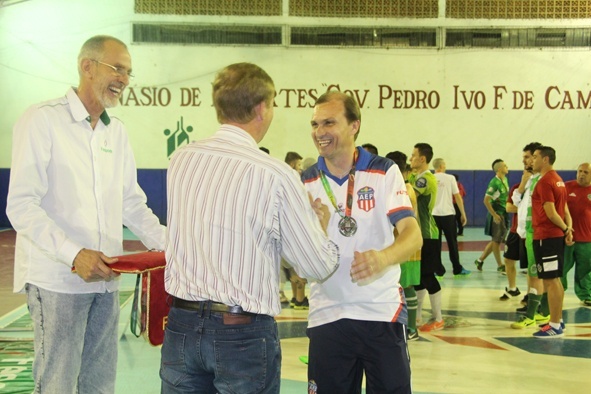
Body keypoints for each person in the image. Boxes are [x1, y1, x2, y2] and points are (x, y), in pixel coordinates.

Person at [162, 63, 340, 393]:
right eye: (271, 105)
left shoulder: (181, 160)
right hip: (240, 332)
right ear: (261, 108)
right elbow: (317, 265)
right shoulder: (274, 175)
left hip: (181, 325)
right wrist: (320, 227)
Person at [5, 35, 166, 393]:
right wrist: (73, 254)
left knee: (99, 384)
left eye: (128, 72)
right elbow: (21, 205)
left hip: (107, 280)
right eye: (117, 68)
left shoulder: (116, 132)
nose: (124, 79)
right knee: (57, 384)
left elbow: (131, 204)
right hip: (57, 282)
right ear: (87, 66)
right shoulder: (41, 120)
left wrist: (173, 245)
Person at [303, 92, 422, 393]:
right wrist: (311, 234)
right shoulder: (303, 182)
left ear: (354, 125)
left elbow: (412, 234)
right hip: (327, 313)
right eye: (315, 124)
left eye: (329, 122)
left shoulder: (384, 171)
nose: (319, 132)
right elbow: (297, 266)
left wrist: (383, 257)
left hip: (380, 310)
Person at [530, 146, 572, 338]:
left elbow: (552, 212)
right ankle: (558, 319)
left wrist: (565, 229)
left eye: (536, 157)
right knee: (554, 279)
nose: (532, 160)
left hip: (546, 237)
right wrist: (567, 228)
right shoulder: (559, 181)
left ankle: (554, 325)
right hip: (553, 236)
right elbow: (564, 210)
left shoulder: (546, 182)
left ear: (545, 159)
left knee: (551, 280)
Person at [511, 142, 552, 329]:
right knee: (532, 273)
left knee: (540, 275)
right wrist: (522, 183)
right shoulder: (528, 179)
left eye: (529, 157)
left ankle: (535, 313)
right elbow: (514, 204)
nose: (526, 161)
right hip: (525, 232)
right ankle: (538, 309)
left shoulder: (543, 180)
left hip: (537, 233)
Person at [409, 143, 446, 333]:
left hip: (428, 234)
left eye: (413, 155)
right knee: (419, 276)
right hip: (418, 234)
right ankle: (417, 315)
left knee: (427, 275)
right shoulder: (416, 177)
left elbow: (409, 196)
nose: (410, 159)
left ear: (422, 158)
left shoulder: (426, 179)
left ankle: (438, 317)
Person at [386, 151, 422, 341]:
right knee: (402, 285)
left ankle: (412, 327)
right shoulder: (399, 187)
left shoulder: (405, 189)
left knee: (407, 287)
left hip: (405, 247)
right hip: (398, 246)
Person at [432, 158, 470, 277]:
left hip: (433, 215)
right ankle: (456, 268)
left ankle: (438, 270)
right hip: (448, 215)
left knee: (436, 244)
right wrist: (463, 214)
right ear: (442, 166)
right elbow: (458, 197)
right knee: (452, 243)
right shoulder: (450, 178)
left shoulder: (430, 178)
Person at [282, 151, 309, 309]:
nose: (300, 168)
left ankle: (296, 298)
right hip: (293, 231)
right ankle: (299, 298)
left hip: (286, 232)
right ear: (292, 164)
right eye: (298, 164)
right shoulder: (292, 179)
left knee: (291, 269)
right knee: (298, 268)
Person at [562, 163, 591, 306]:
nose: (582, 174)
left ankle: (585, 295)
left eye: (586, 172)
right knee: (561, 267)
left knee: (585, 269)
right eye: (580, 171)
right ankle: (559, 292)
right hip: (567, 237)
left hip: (587, 239)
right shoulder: (566, 187)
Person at [475, 159, 510, 274]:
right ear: (499, 169)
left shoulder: (504, 180)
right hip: (497, 215)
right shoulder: (494, 183)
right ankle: (500, 265)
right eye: (505, 166)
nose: (507, 167)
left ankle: (480, 260)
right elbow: (486, 200)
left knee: (496, 240)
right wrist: (494, 214)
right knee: (496, 241)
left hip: (503, 213)